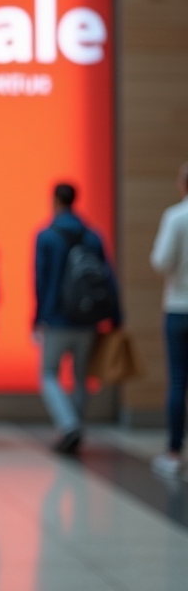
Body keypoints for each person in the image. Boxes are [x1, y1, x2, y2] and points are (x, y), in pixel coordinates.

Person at [34, 183, 122, 455]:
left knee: (48, 374)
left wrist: (38, 316)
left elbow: (40, 280)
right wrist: (116, 316)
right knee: (81, 378)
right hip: (88, 319)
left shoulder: (46, 236)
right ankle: (74, 429)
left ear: (55, 201)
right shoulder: (93, 236)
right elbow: (108, 277)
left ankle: (69, 425)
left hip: (57, 318)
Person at [150, 163, 188, 478]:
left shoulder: (175, 217)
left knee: (178, 382)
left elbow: (162, 261)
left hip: (178, 307)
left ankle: (174, 452)